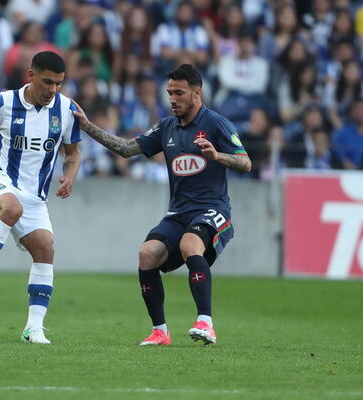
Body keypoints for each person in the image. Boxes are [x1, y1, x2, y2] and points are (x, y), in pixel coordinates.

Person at [71, 64, 251, 346]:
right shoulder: (166, 126)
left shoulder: (216, 124)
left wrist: (219, 156)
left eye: (179, 93)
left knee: (190, 245)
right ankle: (160, 331)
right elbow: (127, 149)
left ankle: (206, 322)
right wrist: (88, 126)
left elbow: (245, 162)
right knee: (147, 254)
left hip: (213, 209)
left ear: (196, 93)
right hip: (178, 213)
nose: (173, 99)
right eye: (169, 93)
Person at [0, 51, 82, 345]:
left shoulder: (66, 110)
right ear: (31, 76)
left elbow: (73, 153)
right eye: (48, 82)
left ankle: (33, 329)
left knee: (45, 248)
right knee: (11, 208)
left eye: (59, 84)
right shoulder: (3, 103)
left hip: (35, 198)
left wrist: (70, 177)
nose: (53, 90)